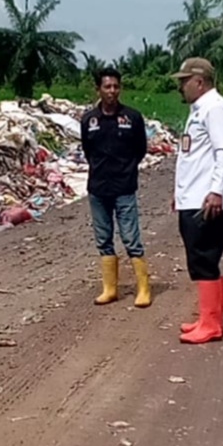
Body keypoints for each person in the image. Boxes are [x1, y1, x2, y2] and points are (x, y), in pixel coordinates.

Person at [169, 57, 223, 344]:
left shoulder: (215, 109)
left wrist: (216, 191)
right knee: (199, 257)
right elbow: (194, 157)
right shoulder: (200, 109)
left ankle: (211, 324)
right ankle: (208, 317)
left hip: (206, 199)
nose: (180, 87)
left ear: (199, 82)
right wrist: (180, 192)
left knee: (204, 258)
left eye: (184, 81)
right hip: (194, 195)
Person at [80, 67, 151, 308]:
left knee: (131, 238)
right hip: (98, 188)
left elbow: (140, 149)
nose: (112, 91)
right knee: (103, 239)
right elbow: (88, 152)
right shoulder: (89, 120)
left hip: (124, 187)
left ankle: (143, 288)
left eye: (116, 86)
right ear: (98, 89)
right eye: (107, 86)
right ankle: (110, 289)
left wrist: (126, 169)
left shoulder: (132, 118)